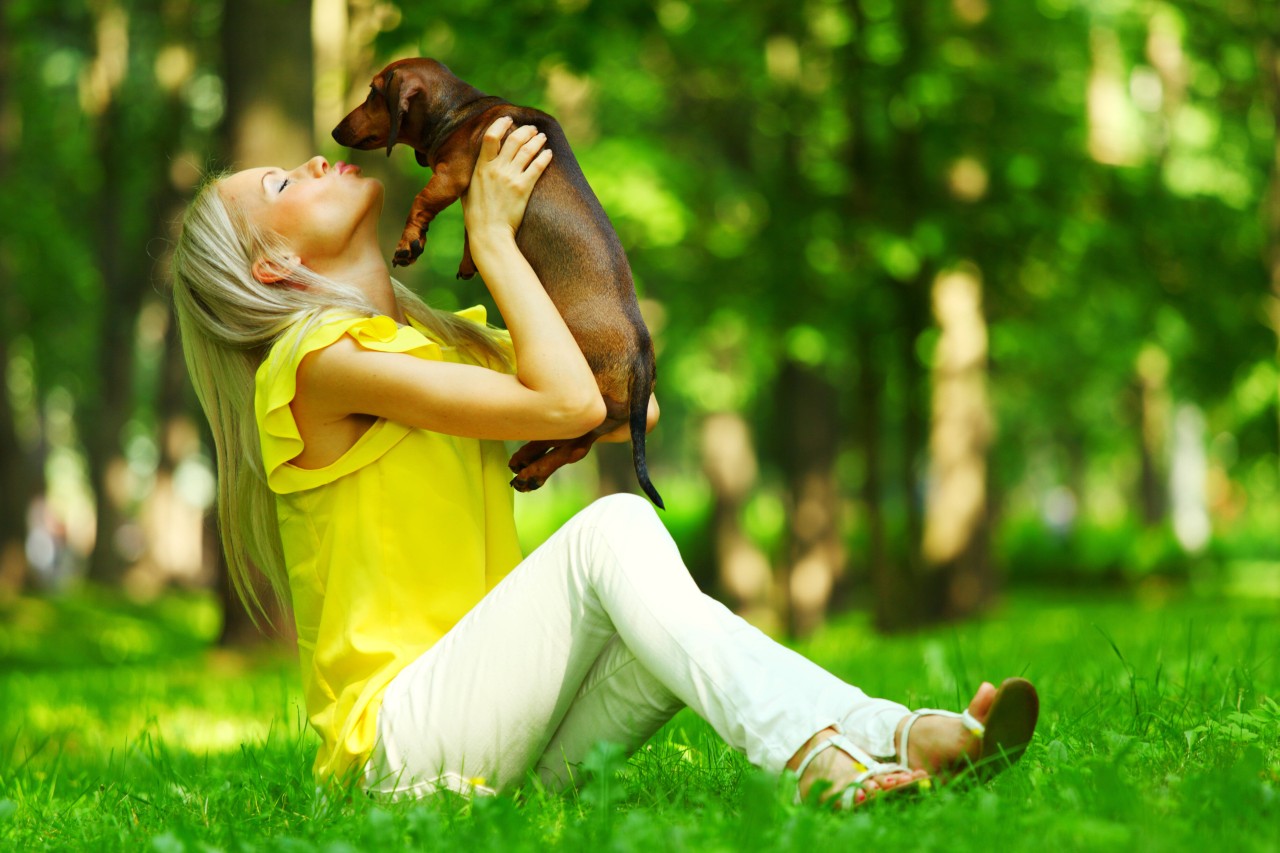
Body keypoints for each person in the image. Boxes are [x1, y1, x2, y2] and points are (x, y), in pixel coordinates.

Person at [170, 116, 1037, 808]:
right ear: (273, 266)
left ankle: (898, 735)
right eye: (282, 183)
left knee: (666, 615)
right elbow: (569, 407)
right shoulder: (311, 365)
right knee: (618, 527)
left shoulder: (435, 344)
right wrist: (497, 243)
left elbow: (630, 402)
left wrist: (532, 231)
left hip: (504, 743)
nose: (316, 162)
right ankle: (823, 756)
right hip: (397, 753)